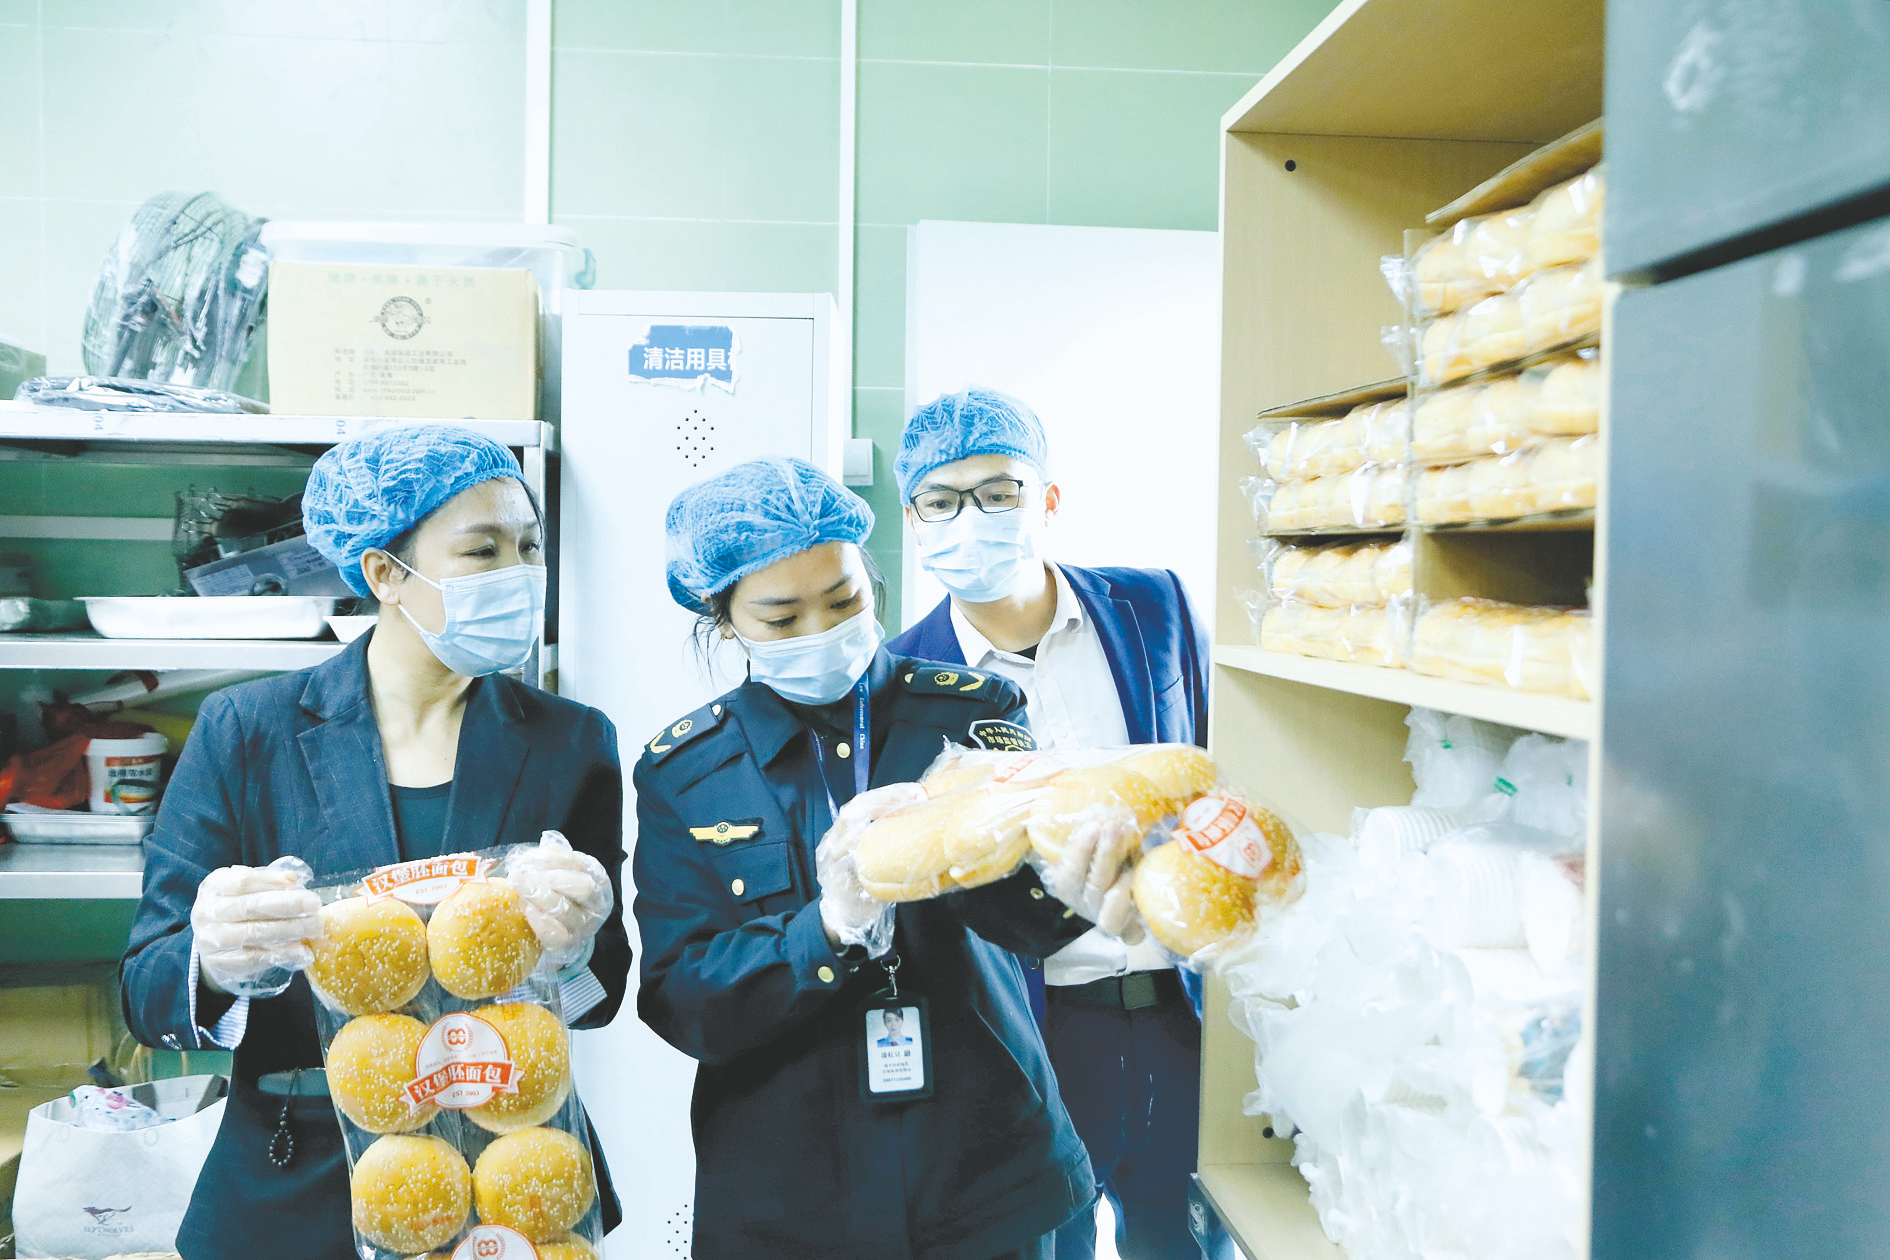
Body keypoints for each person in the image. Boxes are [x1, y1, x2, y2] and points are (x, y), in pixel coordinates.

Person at [119, 426, 631, 1260]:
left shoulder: (570, 742)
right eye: (483, 550)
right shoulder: (247, 731)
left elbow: (601, 995)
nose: (518, 573)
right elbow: (146, 994)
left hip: (510, 1170)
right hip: (299, 1170)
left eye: (529, 546)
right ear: (386, 574)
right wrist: (214, 961)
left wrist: (573, 953)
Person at [633, 456, 1142, 1260]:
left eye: (844, 600)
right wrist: (830, 927)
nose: (820, 631)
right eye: (780, 618)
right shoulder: (687, 772)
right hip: (788, 1193)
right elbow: (681, 1000)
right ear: (723, 620)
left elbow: (1024, 922)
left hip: (983, 1171)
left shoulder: (969, 712)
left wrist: (1075, 883)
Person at [888, 389, 1212, 1260]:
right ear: (913, 520)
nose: (971, 518)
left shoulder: (1153, 607)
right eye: (941, 500)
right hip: (1033, 1032)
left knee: (1191, 1242)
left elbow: (1215, 765)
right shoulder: (903, 677)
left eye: (999, 493)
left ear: (1049, 499)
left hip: (1181, 1012)